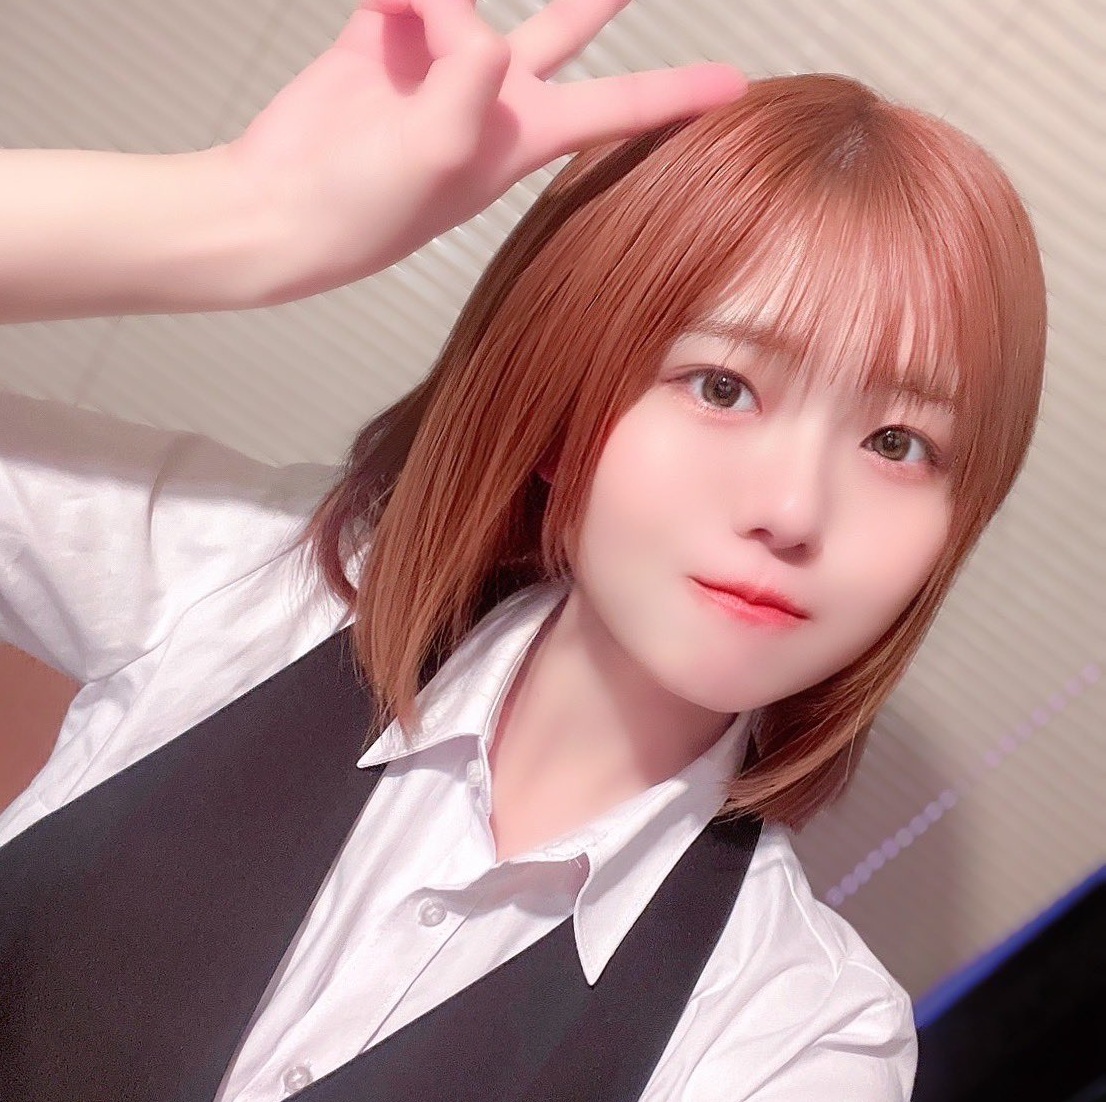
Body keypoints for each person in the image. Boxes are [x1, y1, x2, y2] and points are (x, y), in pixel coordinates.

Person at [0, 0, 1047, 1099]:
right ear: (557, 411)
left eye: (896, 443)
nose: (792, 508)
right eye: (720, 385)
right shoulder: (248, 585)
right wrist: (244, 215)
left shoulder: (795, 1038)